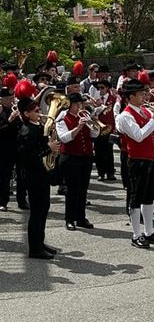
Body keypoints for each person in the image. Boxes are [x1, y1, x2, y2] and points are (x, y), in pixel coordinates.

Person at [115, 79, 154, 249]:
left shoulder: (145, 111)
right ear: (130, 97)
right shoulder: (125, 116)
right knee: (135, 199)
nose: (144, 96)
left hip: (151, 160)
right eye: (141, 94)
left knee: (148, 198)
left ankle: (149, 231)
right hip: (137, 161)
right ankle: (136, 234)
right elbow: (139, 136)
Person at [17, 97, 59, 258]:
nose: (39, 112)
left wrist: (51, 143)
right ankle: (34, 248)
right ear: (26, 114)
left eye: (39, 109)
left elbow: (41, 146)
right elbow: (27, 156)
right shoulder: (26, 130)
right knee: (37, 212)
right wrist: (48, 148)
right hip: (33, 176)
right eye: (35, 111)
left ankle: (39, 242)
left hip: (41, 174)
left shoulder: (37, 127)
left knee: (43, 209)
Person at [55, 92, 99, 231]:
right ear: (69, 105)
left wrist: (94, 123)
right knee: (72, 190)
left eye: (81, 103)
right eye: (77, 104)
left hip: (86, 157)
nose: (80, 106)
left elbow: (95, 134)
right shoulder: (62, 119)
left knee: (83, 190)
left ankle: (81, 218)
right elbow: (64, 138)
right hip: (70, 158)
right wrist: (79, 127)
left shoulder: (84, 116)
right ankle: (69, 219)